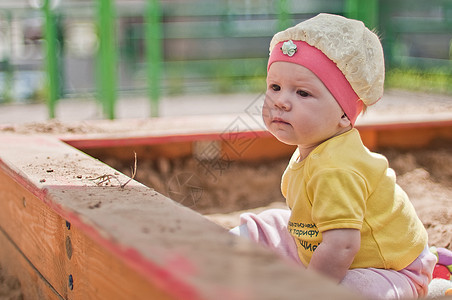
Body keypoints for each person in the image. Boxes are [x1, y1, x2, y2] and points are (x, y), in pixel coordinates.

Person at [230, 13, 437, 299]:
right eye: (275, 87)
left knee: (351, 290)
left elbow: (342, 247)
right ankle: (214, 253)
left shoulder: (336, 168)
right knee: (268, 226)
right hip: (320, 244)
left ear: (343, 114)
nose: (280, 100)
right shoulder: (314, 148)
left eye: (302, 93)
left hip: (388, 268)